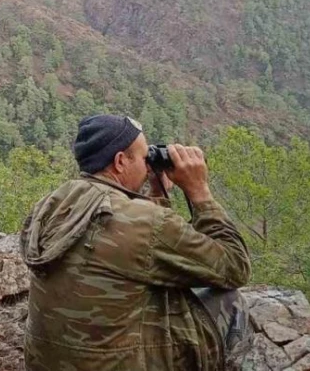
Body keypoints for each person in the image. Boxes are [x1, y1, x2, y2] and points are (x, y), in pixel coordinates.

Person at [20, 114, 252, 371]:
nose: (148, 165)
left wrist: (156, 192)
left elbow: (137, 252)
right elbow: (235, 266)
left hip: (50, 363)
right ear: (120, 161)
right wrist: (199, 192)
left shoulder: (55, 202)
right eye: (144, 158)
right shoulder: (143, 222)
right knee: (229, 300)